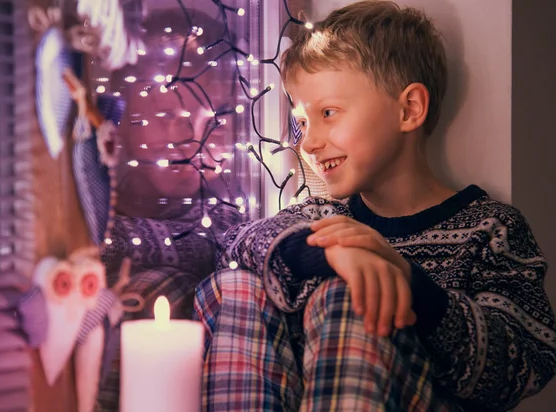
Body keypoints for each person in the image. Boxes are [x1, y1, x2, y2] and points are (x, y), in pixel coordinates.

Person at [194, 1, 556, 411]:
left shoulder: (489, 228)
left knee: (352, 298)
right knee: (236, 285)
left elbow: (525, 364)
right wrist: (330, 252)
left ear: (409, 109)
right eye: (303, 123)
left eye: (328, 113)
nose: (308, 143)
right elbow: (235, 243)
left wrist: (407, 283)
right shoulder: (323, 218)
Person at [69, 7, 245, 411]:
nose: (191, 136)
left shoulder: (224, 218)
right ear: (122, 117)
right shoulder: (81, 198)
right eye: (168, 114)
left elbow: (212, 242)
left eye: (214, 120)